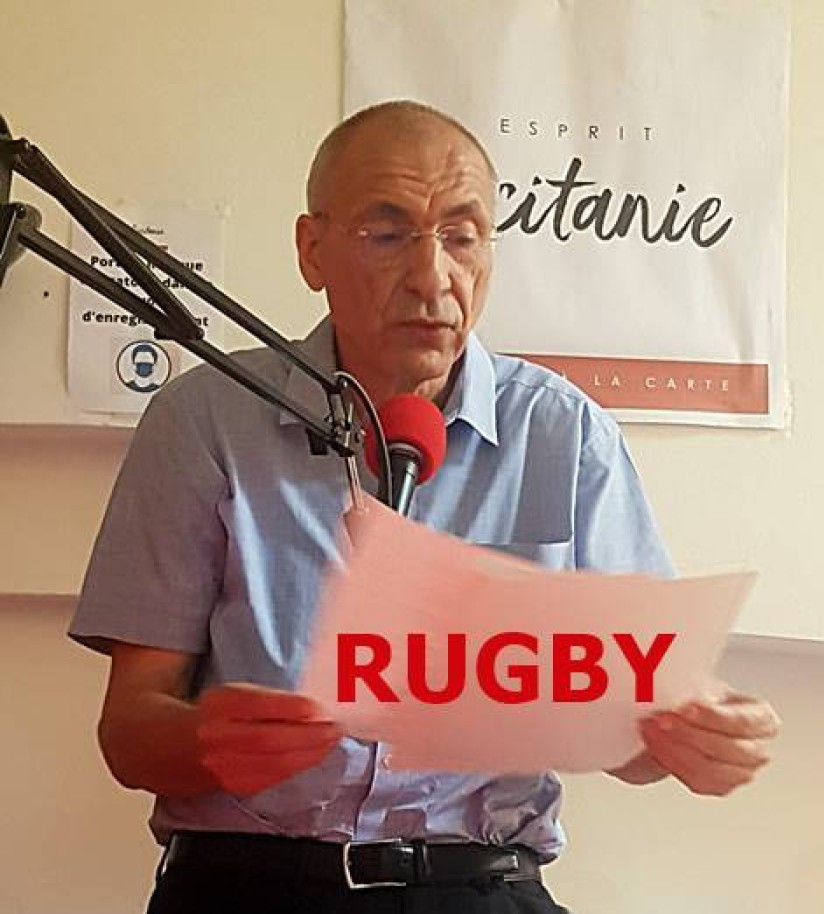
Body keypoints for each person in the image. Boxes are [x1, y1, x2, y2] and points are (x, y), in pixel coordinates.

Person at [70, 101, 780, 914]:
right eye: (386, 233)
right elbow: (129, 735)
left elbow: (635, 730)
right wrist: (209, 741)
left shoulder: (563, 433)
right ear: (311, 249)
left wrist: (692, 737)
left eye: (462, 236)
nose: (432, 276)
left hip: (476, 883)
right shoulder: (207, 418)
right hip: (250, 882)